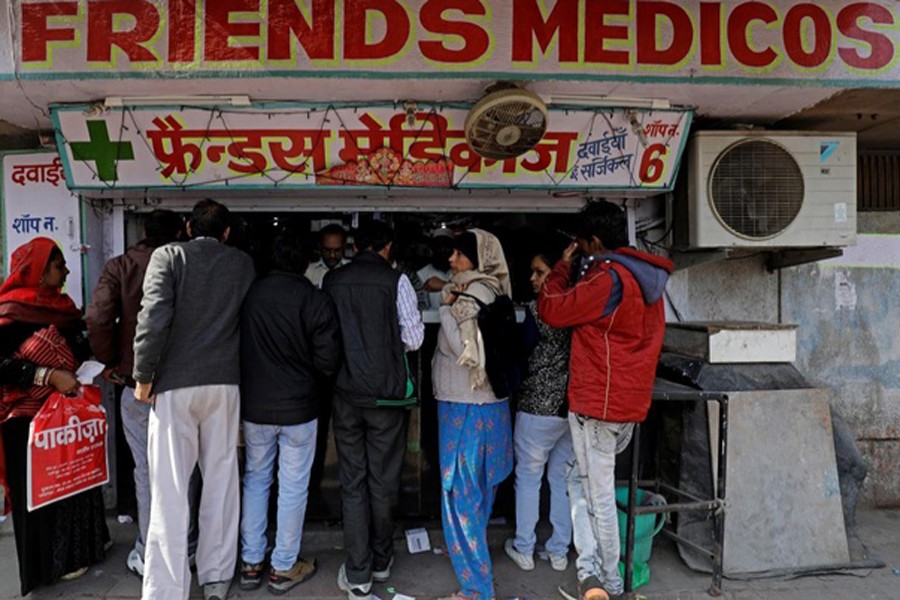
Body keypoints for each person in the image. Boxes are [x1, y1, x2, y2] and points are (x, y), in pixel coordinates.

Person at [537, 201, 673, 600]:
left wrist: (562, 268)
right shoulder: (648, 280)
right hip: (627, 401)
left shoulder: (607, 279)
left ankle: (608, 582)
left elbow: (553, 309)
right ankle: (590, 572)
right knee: (578, 482)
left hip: (599, 403)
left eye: (581, 244)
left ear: (594, 241)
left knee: (596, 495)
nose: (579, 251)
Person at [133, 199, 256, 600]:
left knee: (169, 488)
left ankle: (167, 590)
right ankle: (216, 577)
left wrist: (143, 376)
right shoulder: (241, 264)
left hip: (175, 385)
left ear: (187, 227)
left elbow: (152, 318)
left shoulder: (168, 256)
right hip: (224, 383)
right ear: (226, 232)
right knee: (222, 480)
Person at [86, 209, 200, 579]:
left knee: (147, 470)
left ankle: (151, 550)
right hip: (185, 382)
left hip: (137, 385)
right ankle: (189, 545)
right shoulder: (189, 265)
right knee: (188, 467)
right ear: (180, 232)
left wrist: (111, 362)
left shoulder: (120, 266)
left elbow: (99, 316)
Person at [0, 237, 111, 596]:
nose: (64, 271)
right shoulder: (11, 311)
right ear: (38, 271)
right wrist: (45, 376)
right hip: (28, 419)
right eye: (58, 265)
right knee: (41, 490)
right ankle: (48, 565)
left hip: (68, 415)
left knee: (75, 480)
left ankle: (80, 553)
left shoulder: (63, 307)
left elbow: (79, 345)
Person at [323, 220, 424, 600]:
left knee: (353, 483)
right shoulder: (395, 281)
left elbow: (326, 337)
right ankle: (381, 562)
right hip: (386, 397)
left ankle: (359, 572)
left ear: (354, 246)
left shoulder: (333, 282)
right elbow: (414, 340)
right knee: (382, 482)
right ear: (387, 247)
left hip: (346, 394)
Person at [238, 231, 342, 595]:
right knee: (293, 486)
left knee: (255, 479)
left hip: (255, 406)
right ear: (304, 261)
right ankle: (283, 566)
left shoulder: (250, 295)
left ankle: (251, 563)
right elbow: (328, 360)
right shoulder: (314, 299)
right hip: (299, 408)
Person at [432, 229, 514, 600]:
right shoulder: (495, 290)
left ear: (477, 259)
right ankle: (471, 553)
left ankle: (476, 588)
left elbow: (461, 346)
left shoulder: (469, 297)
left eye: (459, 254)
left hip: (465, 408)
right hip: (490, 407)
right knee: (479, 491)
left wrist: (444, 307)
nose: (451, 260)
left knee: (459, 495)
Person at [504, 244, 574, 573]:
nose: (532, 278)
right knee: (561, 481)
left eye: (539, 272)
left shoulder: (538, 311)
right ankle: (559, 552)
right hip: (570, 409)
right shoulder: (579, 310)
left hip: (536, 408)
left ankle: (524, 548)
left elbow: (523, 349)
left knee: (529, 479)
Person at [417, 230, 454, 310]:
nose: (442, 251)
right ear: (433, 249)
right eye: (439, 247)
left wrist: (444, 285)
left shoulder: (461, 271)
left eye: (446, 247)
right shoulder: (422, 274)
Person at [305, 223, 349, 288]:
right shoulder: (308, 272)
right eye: (327, 250)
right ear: (320, 246)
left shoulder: (352, 270)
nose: (332, 255)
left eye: (337, 250)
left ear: (344, 247)